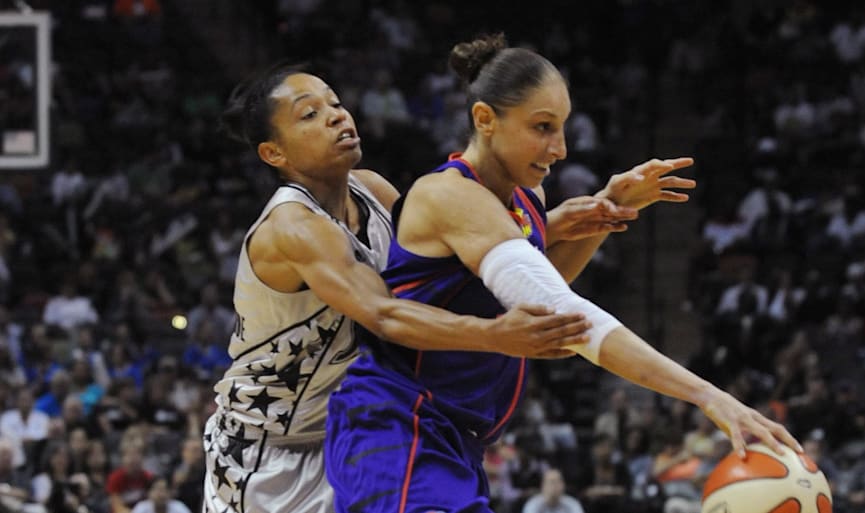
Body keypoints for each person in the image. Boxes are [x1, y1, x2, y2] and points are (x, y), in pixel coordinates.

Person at [324, 33, 802, 513]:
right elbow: (562, 309)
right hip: (397, 422)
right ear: (485, 119)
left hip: (452, 437)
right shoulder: (449, 195)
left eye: (563, 127)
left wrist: (607, 213)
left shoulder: (527, 197)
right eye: (543, 127)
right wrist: (708, 395)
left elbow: (541, 298)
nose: (561, 148)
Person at [203, 62, 642, 513]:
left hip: (353, 432)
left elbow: (444, 268)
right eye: (310, 114)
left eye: (334, 103)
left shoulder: (372, 188)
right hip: (268, 451)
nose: (336, 116)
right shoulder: (292, 226)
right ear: (274, 153)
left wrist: (555, 225)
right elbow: (385, 314)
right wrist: (493, 334)